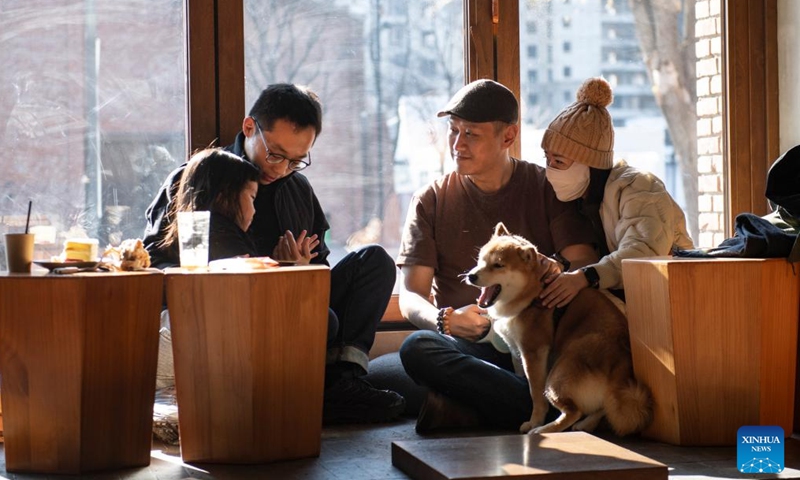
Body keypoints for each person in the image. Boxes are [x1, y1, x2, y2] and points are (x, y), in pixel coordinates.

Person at [143, 83, 405, 424]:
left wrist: (303, 271)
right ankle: (300, 392)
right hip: (224, 316)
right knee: (324, 320)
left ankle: (340, 384)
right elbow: (156, 262)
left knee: (374, 263)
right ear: (250, 128)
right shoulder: (204, 176)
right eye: (276, 154)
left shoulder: (297, 188)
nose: (281, 169)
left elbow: (320, 267)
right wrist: (281, 275)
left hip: (295, 313)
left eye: (296, 161)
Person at [396, 79, 598, 432]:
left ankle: (480, 407)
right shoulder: (431, 200)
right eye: (453, 130)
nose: (458, 144)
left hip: (542, 343)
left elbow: (583, 262)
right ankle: (548, 409)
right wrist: (445, 320)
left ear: (508, 136)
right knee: (417, 348)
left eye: (471, 134)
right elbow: (411, 295)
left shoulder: (544, 187)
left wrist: (558, 270)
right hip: (472, 346)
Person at [538, 77, 694, 309]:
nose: (550, 170)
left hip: (672, 307)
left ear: (590, 163)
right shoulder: (581, 198)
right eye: (547, 159)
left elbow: (641, 254)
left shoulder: (640, 188)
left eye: (559, 161)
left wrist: (584, 277)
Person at [160, 148, 260, 261]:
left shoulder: (188, 232)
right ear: (223, 195)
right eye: (252, 197)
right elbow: (251, 278)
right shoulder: (224, 236)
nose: (254, 210)